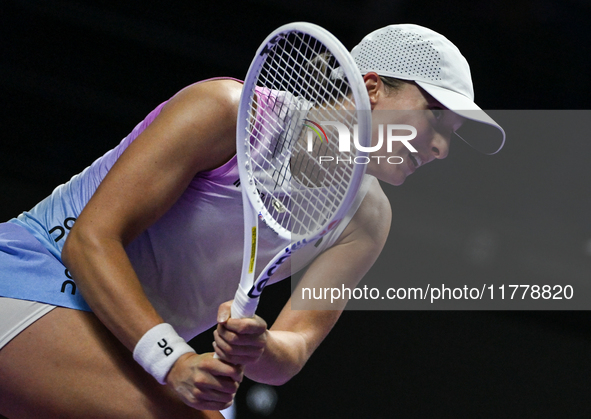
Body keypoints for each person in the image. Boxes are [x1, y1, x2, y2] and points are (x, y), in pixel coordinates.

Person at [0, 24, 504, 418]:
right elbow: (90, 241)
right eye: (434, 117)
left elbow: (292, 349)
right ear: (371, 88)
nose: (439, 147)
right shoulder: (229, 112)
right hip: (34, 279)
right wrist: (171, 360)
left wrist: (261, 346)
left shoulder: (367, 218)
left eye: (451, 135)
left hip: (127, 340)